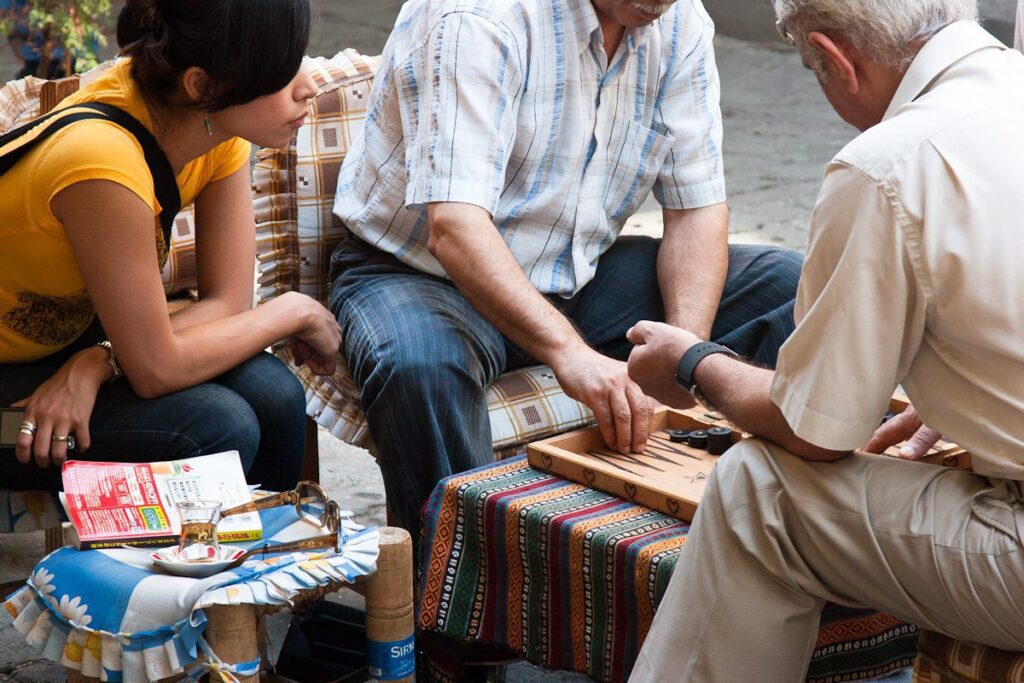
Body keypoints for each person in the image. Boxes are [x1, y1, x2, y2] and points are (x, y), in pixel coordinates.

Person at [624, 0, 1024, 679]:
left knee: (758, 491)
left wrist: (695, 363)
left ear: (834, 60)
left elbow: (812, 430)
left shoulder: (885, 166)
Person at [330, 0, 803, 540]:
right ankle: (460, 602)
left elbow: (695, 207)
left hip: (575, 274)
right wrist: (570, 353)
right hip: (422, 275)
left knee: (791, 286)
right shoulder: (478, 17)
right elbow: (454, 228)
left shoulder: (680, 21)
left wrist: (683, 351)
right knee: (418, 366)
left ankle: (745, 540)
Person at [0, 0, 341, 494]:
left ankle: (270, 563)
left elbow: (227, 303)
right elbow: (155, 370)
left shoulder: (215, 125)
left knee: (275, 395)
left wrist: (95, 362)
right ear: (201, 85)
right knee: (218, 426)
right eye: (281, 68)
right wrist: (294, 310)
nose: (309, 85)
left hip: (64, 349)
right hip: (11, 416)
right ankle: (190, 568)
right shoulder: (103, 161)